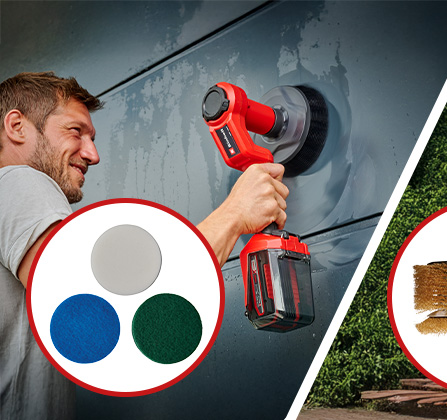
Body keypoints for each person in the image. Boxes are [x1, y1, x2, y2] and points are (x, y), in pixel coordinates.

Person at [0, 72, 289, 419]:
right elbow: (102, 309)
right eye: (75, 131)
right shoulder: (17, 181)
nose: (93, 154)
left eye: (92, 138)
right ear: (17, 126)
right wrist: (233, 215)